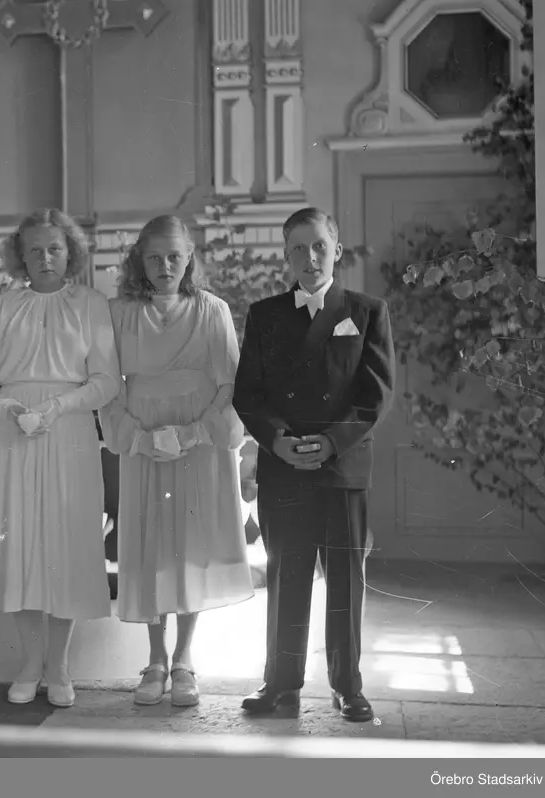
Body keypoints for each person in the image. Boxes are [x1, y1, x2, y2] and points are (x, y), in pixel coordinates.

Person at [233, 207, 394, 723]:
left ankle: (348, 686)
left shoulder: (367, 311)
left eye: (319, 245)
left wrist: (331, 442)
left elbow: (375, 395)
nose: (310, 257)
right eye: (298, 248)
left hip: (342, 467)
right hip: (284, 465)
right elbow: (249, 393)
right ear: (286, 255)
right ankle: (280, 686)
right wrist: (277, 441)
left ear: (337, 250)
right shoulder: (265, 315)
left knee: (345, 580)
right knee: (286, 576)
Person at [0, 209, 119, 708]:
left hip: (70, 432)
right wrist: (7, 407)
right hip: (13, 435)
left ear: (70, 252)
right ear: (20, 256)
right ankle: (30, 663)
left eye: (54, 248)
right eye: (34, 250)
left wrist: (59, 405)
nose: (45, 257)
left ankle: (59, 665)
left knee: (65, 545)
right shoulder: (0, 308)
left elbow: (106, 381)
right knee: (19, 544)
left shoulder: (92, 304)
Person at [100, 216, 253, 708]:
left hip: (198, 439)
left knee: (189, 542)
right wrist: (138, 439)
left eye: (174, 257)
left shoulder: (212, 310)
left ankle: (185, 658)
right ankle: (155, 659)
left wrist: (193, 433)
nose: (165, 266)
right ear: (139, 261)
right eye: (154, 257)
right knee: (150, 543)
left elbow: (230, 384)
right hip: (143, 435)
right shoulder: (119, 314)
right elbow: (107, 385)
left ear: (189, 258)